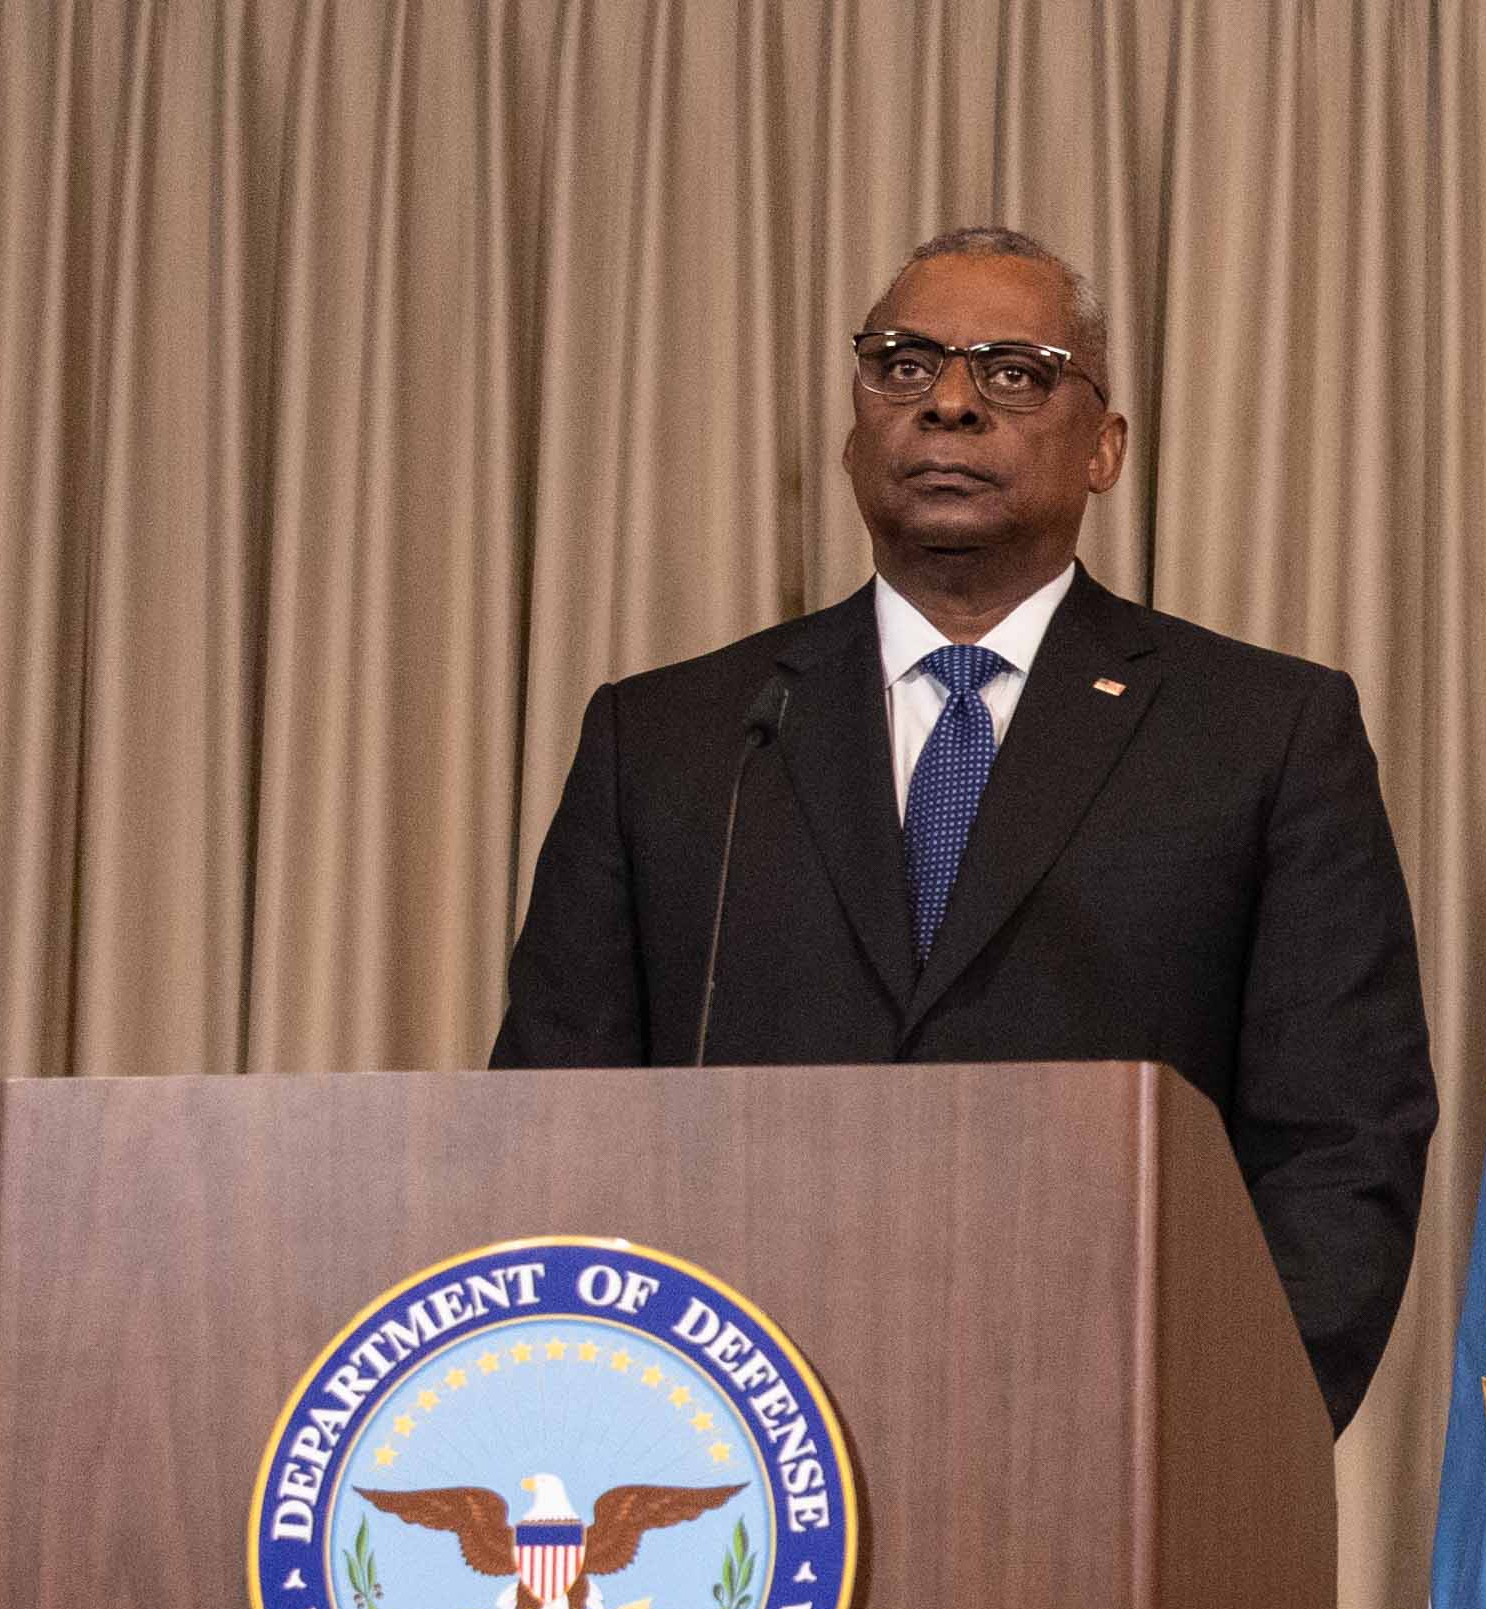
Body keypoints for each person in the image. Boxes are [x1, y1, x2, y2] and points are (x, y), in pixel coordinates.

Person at [493, 228, 1434, 1429]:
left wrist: (1231, 1433)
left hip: (1114, 1441)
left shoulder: (1263, 731)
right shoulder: (674, 739)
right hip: (722, 1449)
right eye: (903, 363)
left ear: (1105, 446)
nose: (946, 402)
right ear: (851, 431)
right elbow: (550, 1123)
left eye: (1013, 371)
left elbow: (1340, 1138)